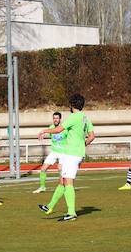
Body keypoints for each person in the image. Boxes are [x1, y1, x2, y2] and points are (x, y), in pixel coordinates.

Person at [37, 93, 95, 222]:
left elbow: (58, 129)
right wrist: (82, 145)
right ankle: (49, 206)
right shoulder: (85, 118)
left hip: (71, 154)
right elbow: (92, 136)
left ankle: (71, 212)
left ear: (72, 105)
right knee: (63, 180)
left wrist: (44, 131)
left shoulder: (74, 117)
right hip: (76, 153)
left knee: (68, 182)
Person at [32, 112, 65, 194]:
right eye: (54, 118)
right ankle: (42, 187)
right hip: (54, 152)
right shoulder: (51, 127)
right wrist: (44, 134)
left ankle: (63, 187)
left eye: (57, 118)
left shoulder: (64, 128)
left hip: (63, 152)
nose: (55, 120)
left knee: (60, 170)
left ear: (60, 119)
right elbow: (49, 132)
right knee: (43, 169)